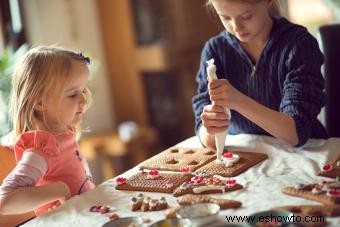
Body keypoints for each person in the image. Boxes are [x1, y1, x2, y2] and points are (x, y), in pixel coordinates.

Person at [192, 0, 328, 149]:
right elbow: (206, 136)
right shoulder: (215, 50)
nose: (236, 27)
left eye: (246, 16)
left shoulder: (299, 44)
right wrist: (211, 127)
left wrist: (238, 101)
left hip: (306, 153)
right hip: (248, 153)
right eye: (225, 18)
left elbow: (295, 133)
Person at [0, 46, 95, 216]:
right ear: (39, 103)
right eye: (73, 95)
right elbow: (5, 200)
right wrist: (59, 190)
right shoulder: (42, 149)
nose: (83, 100)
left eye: (83, 91)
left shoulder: (64, 133)